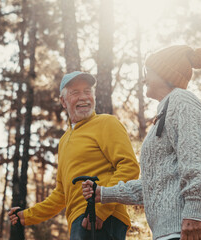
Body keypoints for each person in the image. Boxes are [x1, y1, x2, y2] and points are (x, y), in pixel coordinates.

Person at [82, 45, 201, 240]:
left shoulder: (182, 101)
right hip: (172, 232)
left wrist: (193, 211)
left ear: (164, 73)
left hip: (193, 230)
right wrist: (104, 193)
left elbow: (198, 159)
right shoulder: (166, 110)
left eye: (147, 72)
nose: (144, 78)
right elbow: (155, 185)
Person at [8, 71, 140, 240]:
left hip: (104, 220)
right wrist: (27, 216)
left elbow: (129, 166)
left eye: (87, 91)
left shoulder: (107, 123)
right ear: (63, 101)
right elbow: (62, 194)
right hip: (79, 222)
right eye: (75, 93)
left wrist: (100, 209)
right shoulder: (63, 141)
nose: (83, 97)